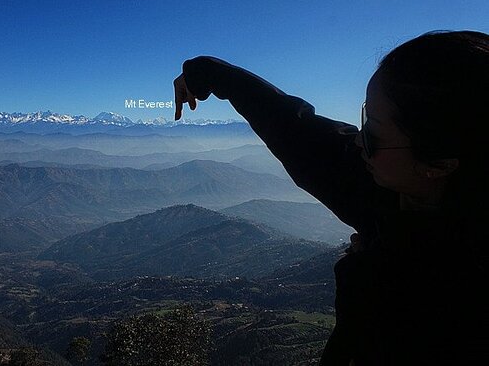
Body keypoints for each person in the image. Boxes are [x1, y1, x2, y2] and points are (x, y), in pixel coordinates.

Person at [173, 30, 488, 365]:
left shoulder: (455, 306)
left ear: (440, 164)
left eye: (373, 133)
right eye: (364, 118)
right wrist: (211, 73)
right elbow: (296, 130)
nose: (357, 141)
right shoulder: (388, 186)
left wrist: (369, 272)